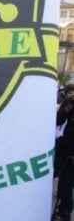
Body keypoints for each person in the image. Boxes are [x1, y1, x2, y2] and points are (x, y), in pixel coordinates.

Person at [53, 84, 74, 221]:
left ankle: (65, 214)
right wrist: (67, 107)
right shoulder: (70, 103)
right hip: (65, 147)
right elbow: (59, 120)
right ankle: (60, 209)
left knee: (67, 184)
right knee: (62, 180)